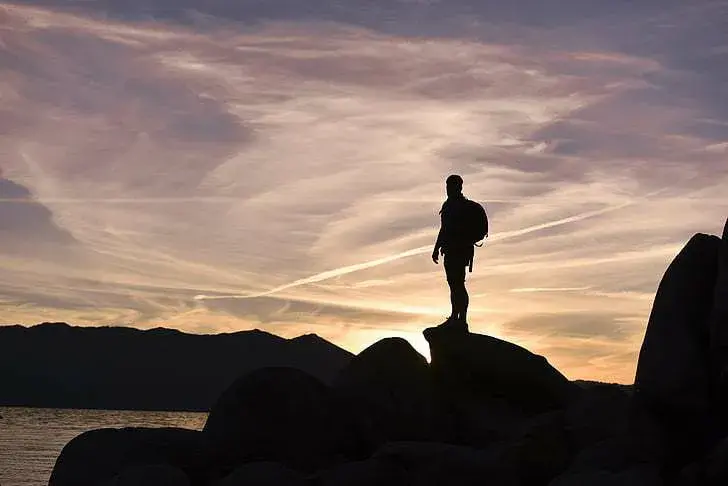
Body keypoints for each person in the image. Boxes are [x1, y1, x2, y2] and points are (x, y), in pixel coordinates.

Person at [432, 174, 477, 330]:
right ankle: (456, 317)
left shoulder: (455, 206)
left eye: (450, 185)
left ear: (458, 187)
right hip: (456, 251)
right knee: (455, 284)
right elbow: (444, 229)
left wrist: (437, 248)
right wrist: (436, 248)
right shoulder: (453, 205)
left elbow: (445, 229)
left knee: (457, 284)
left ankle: (460, 319)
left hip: (457, 251)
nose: (448, 188)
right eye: (447, 185)